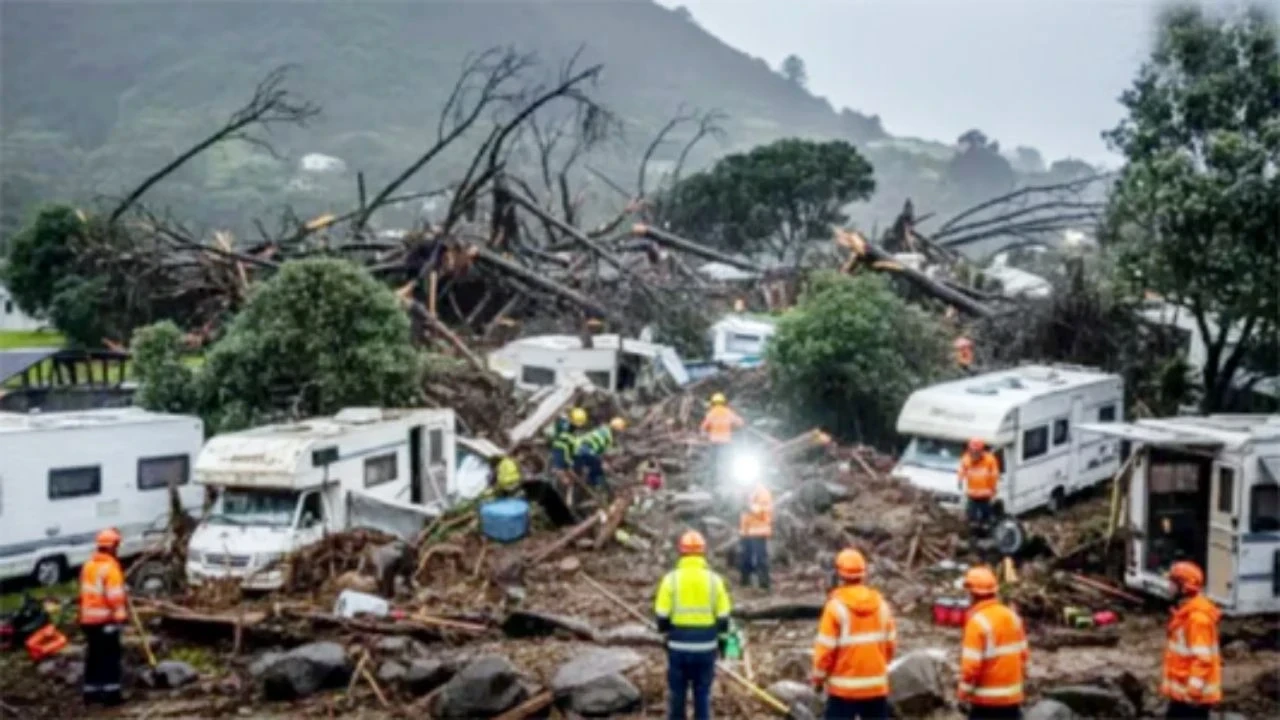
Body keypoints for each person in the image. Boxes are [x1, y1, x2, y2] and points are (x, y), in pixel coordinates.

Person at [654, 530, 733, 720]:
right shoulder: (715, 581)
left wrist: (666, 635)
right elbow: (724, 618)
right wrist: (722, 644)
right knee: (702, 694)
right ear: (703, 552)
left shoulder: (670, 579)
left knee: (677, 695)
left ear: (681, 552)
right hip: (706, 647)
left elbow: (661, 616)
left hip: (678, 646)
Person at [811, 549, 896, 720]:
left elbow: (824, 651)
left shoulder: (835, 608)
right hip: (876, 688)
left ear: (839, 576)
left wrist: (818, 679)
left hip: (843, 691)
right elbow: (890, 646)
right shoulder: (881, 605)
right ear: (863, 575)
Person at [957, 565, 1027, 720]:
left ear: (972, 594)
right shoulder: (1012, 616)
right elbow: (1023, 656)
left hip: (986, 703)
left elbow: (970, 668)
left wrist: (963, 694)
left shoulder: (977, 622)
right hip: (1012, 701)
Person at [1161, 561, 1221, 720]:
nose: (1168, 587)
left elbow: (1202, 660)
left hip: (1192, 699)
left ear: (1184, 587)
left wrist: (1192, 693)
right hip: (1184, 696)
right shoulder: (1185, 614)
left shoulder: (1197, 619)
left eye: (1172, 583)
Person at [80, 528, 129, 706]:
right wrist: (121, 617)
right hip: (105, 621)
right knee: (110, 657)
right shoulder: (111, 569)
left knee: (93, 657)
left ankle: (90, 693)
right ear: (113, 547)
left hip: (87, 620)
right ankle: (111, 694)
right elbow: (114, 597)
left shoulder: (89, 565)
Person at [958, 439, 1000, 536]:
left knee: (986, 518)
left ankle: (986, 535)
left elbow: (994, 476)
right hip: (972, 495)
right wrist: (960, 480)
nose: (973, 453)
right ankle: (972, 536)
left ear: (981, 451)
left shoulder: (990, 460)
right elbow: (961, 470)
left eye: (976, 451)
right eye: (971, 451)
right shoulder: (966, 459)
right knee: (972, 519)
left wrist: (993, 491)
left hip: (985, 495)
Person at [700, 393, 744, 483]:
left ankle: (714, 479)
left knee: (714, 461)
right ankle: (727, 479)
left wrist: (705, 434)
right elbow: (740, 423)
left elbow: (703, 427)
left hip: (714, 441)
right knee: (726, 460)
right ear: (723, 402)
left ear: (713, 403)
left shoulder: (711, 413)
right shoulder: (728, 412)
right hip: (726, 441)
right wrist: (734, 428)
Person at [738, 481, 773, 591]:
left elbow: (763, 510)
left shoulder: (763, 493)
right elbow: (744, 514)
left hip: (759, 531)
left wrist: (750, 507)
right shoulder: (745, 493)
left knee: (760, 559)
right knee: (745, 558)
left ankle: (764, 585)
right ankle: (745, 583)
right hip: (746, 532)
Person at [574, 416, 626, 490]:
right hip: (583, 449)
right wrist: (604, 463)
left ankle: (585, 479)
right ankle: (593, 485)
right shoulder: (607, 437)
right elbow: (599, 452)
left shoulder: (603, 429)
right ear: (616, 430)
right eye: (619, 431)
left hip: (578, 446)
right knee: (597, 467)